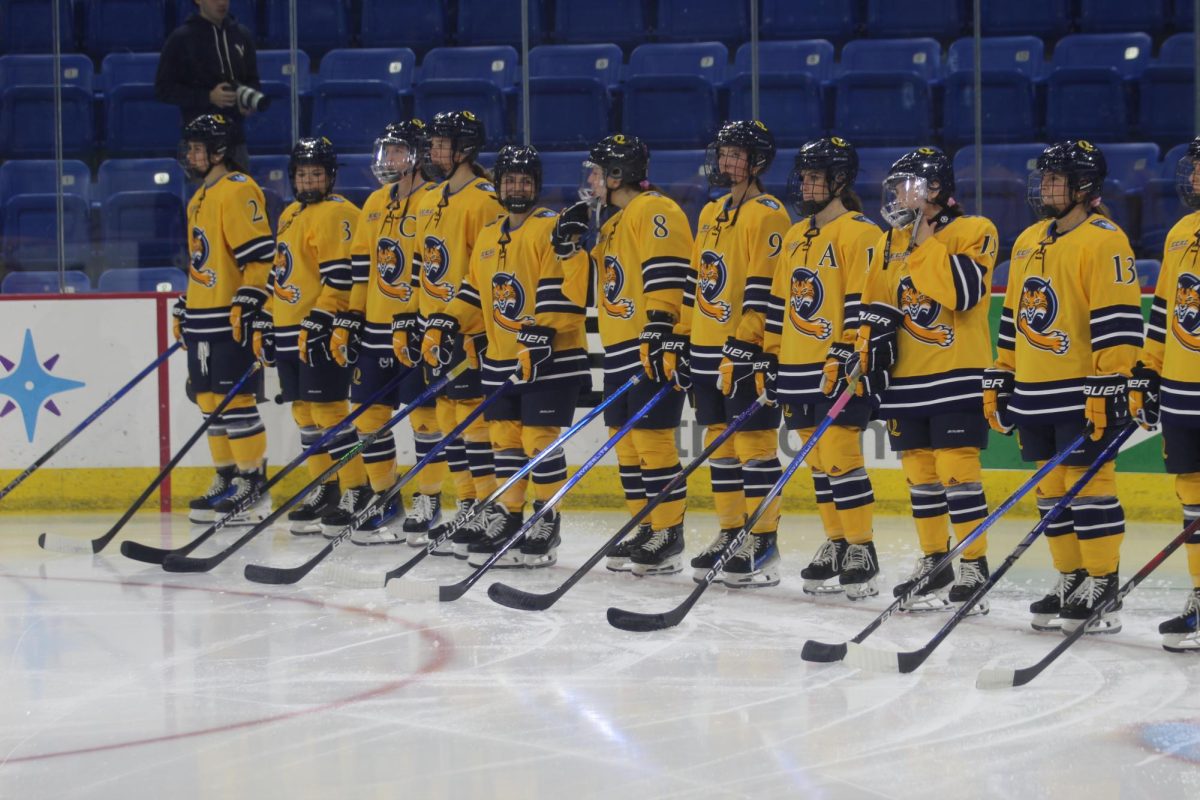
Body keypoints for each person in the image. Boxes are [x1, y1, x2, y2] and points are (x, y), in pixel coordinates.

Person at [985, 140, 1142, 634]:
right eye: (1045, 179)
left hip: (1081, 389)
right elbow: (1013, 315)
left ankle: (1103, 582)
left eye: (1057, 179)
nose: (1046, 187)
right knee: (1051, 492)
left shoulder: (1104, 239)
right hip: (1034, 388)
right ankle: (1070, 576)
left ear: (1084, 187)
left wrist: (1109, 379)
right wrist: (1003, 369)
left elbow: (1118, 321)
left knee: (1090, 489)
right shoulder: (1030, 238)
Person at [434, 145, 590, 568]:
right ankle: (509, 514)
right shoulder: (488, 234)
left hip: (550, 358)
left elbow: (572, 283)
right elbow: (472, 290)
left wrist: (545, 330)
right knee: (504, 440)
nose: (517, 186)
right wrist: (449, 320)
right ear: (499, 185)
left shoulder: (549, 227)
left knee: (538, 439)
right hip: (501, 359)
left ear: (536, 185)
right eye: (510, 180)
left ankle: (547, 517)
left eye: (524, 180)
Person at [857, 147, 997, 609]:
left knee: (958, 472)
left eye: (907, 185)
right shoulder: (886, 241)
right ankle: (935, 561)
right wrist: (861, 345)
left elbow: (962, 292)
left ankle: (974, 564)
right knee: (920, 477)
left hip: (956, 374)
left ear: (934, 189)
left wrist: (921, 240)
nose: (896, 194)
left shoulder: (975, 230)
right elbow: (874, 304)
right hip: (904, 378)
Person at [554, 134, 693, 577]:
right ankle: (644, 523)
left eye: (597, 172)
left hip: (647, 343)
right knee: (628, 447)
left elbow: (666, 269)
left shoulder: (654, 209)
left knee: (652, 443)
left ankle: (668, 532)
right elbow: (589, 288)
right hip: (617, 349)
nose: (591, 180)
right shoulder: (613, 222)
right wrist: (569, 249)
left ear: (618, 174)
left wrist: (661, 325)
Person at [763, 136, 882, 599]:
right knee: (816, 462)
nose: (806, 185)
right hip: (795, 365)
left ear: (839, 181)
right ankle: (836, 541)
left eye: (816, 177)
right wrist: (770, 354)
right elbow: (780, 302)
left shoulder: (861, 232)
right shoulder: (796, 234)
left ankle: (861, 548)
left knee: (840, 455)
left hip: (839, 365)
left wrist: (849, 348)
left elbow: (862, 300)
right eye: (805, 176)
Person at [677, 120, 791, 588]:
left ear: (758, 162)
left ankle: (762, 540)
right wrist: (682, 335)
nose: (726, 162)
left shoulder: (769, 213)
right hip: (705, 349)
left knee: (755, 448)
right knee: (720, 446)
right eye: (723, 153)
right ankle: (730, 532)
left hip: (742, 352)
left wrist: (746, 339)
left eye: (736, 154)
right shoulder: (711, 211)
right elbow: (698, 278)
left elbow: (766, 288)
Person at [253, 136, 371, 537]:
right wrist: (266, 318)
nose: (308, 181)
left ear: (331, 176)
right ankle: (327, 488)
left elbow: (342, 277)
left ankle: (359, 488)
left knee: (331, 413)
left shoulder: (339, 213)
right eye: (302, 175)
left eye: (316, 174)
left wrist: (324, 317)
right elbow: (279, 274)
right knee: (304, 414)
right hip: (289, 331)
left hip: (319, 330)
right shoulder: (288, 215)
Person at [335, 120, 442, 545]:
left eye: (398, 151)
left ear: (418, 155)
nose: (390, 159)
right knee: (366, 415)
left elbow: (435, 266)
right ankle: (385, 495)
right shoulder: (376, 202)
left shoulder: (435, 199)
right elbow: (363, 270)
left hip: (417, 328)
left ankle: (429, 498)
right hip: (377, 328)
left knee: (424, 417)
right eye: (388, 151)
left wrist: (422, 318)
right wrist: (350, 316)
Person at [175, 113, 275, 526]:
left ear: (220, 151)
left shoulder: (238, 189)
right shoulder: (199, 196)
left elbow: (260, 257)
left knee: (235, 404)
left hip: (229, 317)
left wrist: (250, 301)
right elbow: (204, 260)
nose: (191, 155)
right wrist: (187, 302)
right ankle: (227, 476)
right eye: (190, 147)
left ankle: (254, 486)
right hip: (203, 316)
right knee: (209, 403)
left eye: (199, 147)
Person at [415, 111, 507, 558]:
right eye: (432, 144)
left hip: (471, 333)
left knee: (475, 423)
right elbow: (425, 266)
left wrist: (462, 325)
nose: (433, 152)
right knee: (450, 421)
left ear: (465, 149)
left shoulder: (484, 199)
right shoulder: (431, 197)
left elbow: (488, 274)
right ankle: (468, 503)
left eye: (441, 144)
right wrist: (422, 322)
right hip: (438, 331)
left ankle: (490, 506)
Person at [1133, 136, 1200, 652]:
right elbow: (1163, 313)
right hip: (1181, 390)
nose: (1195, 178)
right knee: (1192, 499)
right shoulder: (1180, 232)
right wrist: (1148, 370)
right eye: (1194, 169)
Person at [156, 0, 260, 169]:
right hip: (199, 143)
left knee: (239, 192)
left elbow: (253, 80)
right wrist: (208, 97)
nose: (221, 3)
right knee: (206, 194)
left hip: (235, 139)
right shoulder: (181, 39)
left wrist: (247, 100)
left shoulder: (242, 35)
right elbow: (163, 89)